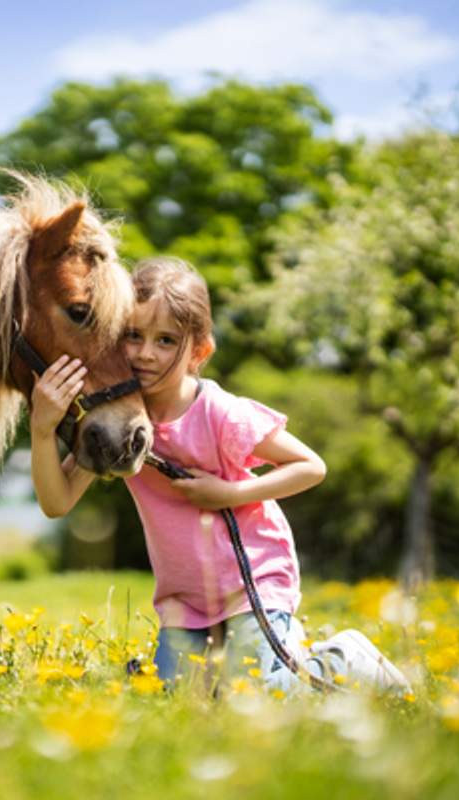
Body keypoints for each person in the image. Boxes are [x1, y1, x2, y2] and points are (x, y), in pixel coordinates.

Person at [29, 256, 409, 696]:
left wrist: (230, 492)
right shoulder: (122, 421)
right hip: (184, 601)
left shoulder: (219, 413)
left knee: (264, 696)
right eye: (133, 336)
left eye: (166, 340)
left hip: (252, 583)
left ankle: (347, 658)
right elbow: (56, 503)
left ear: (198, 352)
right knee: (175, 702)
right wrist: (42, 429)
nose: (145, 353)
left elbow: (311, 466)